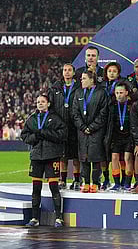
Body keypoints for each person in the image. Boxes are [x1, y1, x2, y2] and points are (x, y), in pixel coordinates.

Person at [21, 94, 67, 227]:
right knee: (36, 188)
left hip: (52, 156)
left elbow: (63, 134)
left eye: (42, 102)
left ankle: (59, 218)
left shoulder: (55, 118)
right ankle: (35, 218)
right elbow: (24, 136)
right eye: (38, 102)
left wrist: (45, 133)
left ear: (48, 104)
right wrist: (35, 136)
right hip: (36, 157)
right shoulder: (32, 119)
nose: (40, 104)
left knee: (54, 188)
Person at [72, 71, 109, 193]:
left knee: (96, 157)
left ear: (92, 80)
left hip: (96, 131)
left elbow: (103, 113)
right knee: (84, 157)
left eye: (84, 78)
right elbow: (75, 112)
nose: (81, 81)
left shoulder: (101, 93)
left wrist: (92, 127)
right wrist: (83, 127)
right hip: (82, 131)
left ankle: (96, 183)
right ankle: (86, 182)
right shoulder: (78, 93)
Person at [48, 63, 81, 191]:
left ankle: (77, 180)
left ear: (73, 73)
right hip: (61, 126)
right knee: (63, 156)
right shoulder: (56, 87)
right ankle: (62, 180)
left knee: (76, 156)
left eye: (69, 70)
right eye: (65, 70)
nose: (67, 72)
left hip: (75, 126)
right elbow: (51, 105)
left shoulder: (78, 87)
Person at [104, 81, 134, 192]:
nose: (119, 95)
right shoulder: (112, 106)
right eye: (116, 93)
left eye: (121, 92)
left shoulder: (132, 106)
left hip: (128, 136)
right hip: (116, 136)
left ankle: (127, 183)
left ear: (126, 92)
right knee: (115, 158)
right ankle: (116, 183)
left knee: (127, 158)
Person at [100, 61, 124, 190]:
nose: (112, 73)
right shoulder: (101, 85)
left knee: (119, 155)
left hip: (116, 123)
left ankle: (122, 180)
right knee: (104, 155)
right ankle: (106, 179)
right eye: (109, 71)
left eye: (114, 71)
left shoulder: (123, 85)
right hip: (103, 123)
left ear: (118, 73)